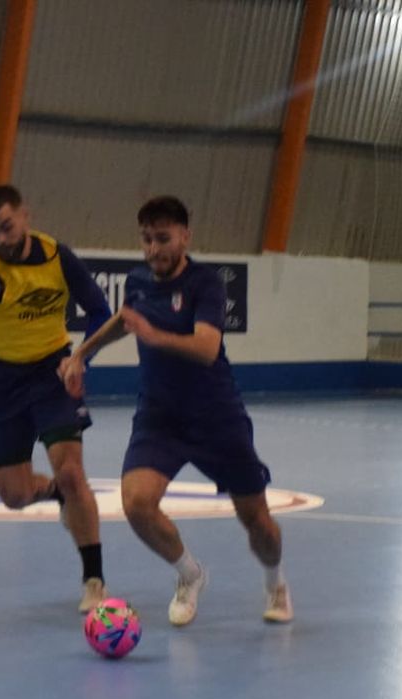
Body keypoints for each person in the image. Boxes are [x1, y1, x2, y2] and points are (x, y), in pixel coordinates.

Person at [59, 195, 291, 626]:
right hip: (159, 416)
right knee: (136, 503)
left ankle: (275, 581)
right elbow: (124, 319)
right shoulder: (138, 279)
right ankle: (190, 575)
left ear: (185, 236)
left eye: (163, 238)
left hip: (216, 416)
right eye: (146, 240)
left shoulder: (206, 284)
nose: (153, 250)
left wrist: (155, 333)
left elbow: (206, 348)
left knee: (257, 523)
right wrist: (81, 354)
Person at [0, 184, 114, 613]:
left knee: (74, 472)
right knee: (14, 495)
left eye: (7, 227)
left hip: (52, 373)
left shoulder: (57, 257)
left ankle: (93, 578)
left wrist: (80, 361)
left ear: (25, 216)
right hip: (0, 382)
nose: (0, 239)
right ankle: (57, 495)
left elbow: (100, 312)